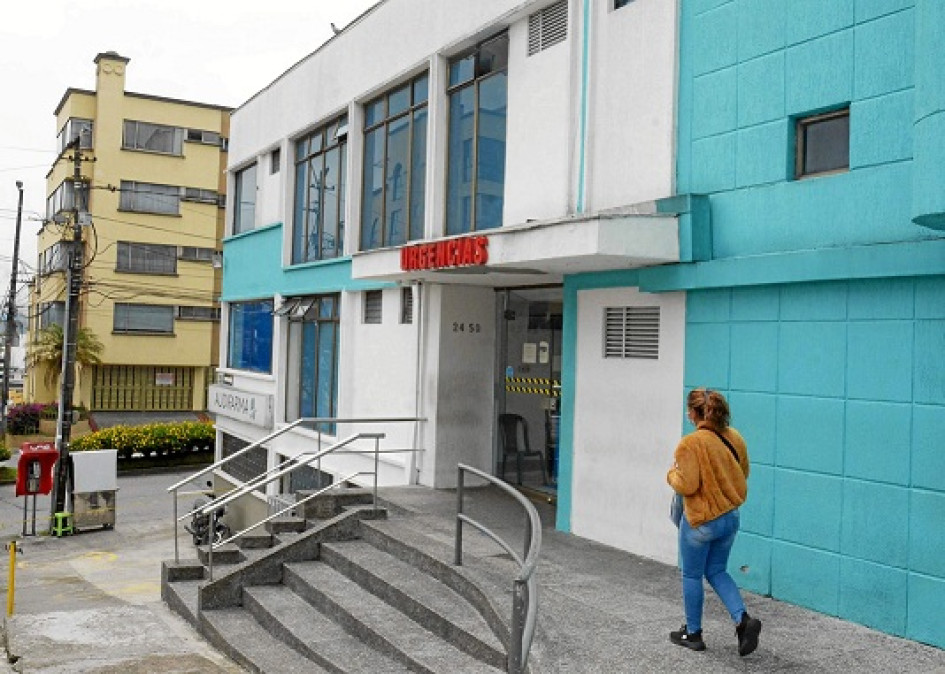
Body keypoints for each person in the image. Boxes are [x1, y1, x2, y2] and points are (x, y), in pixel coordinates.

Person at [666, 387, 761, 656]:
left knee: (692, 574)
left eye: (689, 409)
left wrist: (670, 475)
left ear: (695, 413)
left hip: (701, 521)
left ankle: (693, 633)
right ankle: (743, 621)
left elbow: (687, 484)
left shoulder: (690, 443)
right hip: (730, 517)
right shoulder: (735, 438)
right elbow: (743, 471)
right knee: (717, 570)